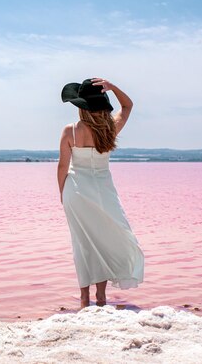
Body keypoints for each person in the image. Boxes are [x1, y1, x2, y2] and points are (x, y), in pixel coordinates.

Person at [57, 77, 144, 308]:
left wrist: (62, 194)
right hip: (104, 194)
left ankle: (85, 298)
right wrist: (113, 87)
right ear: (103, 104)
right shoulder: (110, 129)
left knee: (82, 244)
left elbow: (62, 167)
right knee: (103, 241)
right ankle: (101, 297)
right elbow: (128, 106)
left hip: (75, 192)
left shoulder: (70, 132)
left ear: (81, 107)